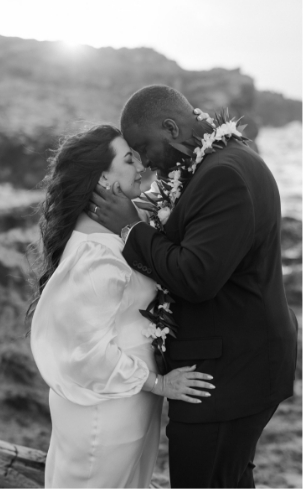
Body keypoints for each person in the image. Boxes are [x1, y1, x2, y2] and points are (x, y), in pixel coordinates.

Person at [89, 86, 298, 488]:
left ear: (170, 127)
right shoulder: (214, 164)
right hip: (238, 362)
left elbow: (196, 277)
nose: (145, 161)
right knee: (230, 478)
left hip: (229, 375)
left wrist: (130, 228)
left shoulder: (223, 174)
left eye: (143, 147)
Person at [29, 124, 215, 488]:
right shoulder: (98, 256)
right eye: (129, 159)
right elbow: (86, 353)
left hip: (122, 404)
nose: (141, 166)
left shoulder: (109, 233)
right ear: (102, 176)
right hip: (105, 415)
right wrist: (159, 383)